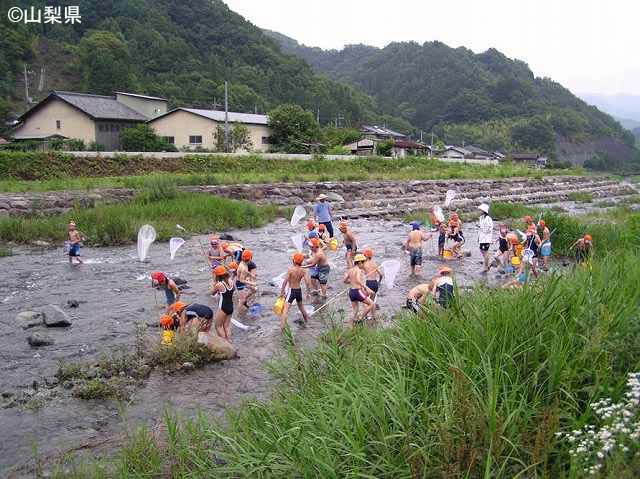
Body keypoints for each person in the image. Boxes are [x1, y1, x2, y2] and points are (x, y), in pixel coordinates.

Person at [279, 252, 313, 331]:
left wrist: (282, 292)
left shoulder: (290, 269)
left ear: (294, 261)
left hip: (291, 291)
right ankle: (307, 323)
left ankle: (282, 329)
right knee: (301, 308)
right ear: (301, 261)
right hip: (298, 291)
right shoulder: (303, 270)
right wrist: (308, 293)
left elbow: (285, 282)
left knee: (285, 311)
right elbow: (308, 283)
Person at [343, 253, 375, 325]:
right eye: (363, 262)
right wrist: (366, 288)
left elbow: (345, 280)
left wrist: (352, 281)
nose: (364, 265)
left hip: (351, 291)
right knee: (371, 304)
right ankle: (361, 318)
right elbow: (358, 280)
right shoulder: (358, 270)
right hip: (357, 291)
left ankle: (353, 323)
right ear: (360, 262)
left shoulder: (350, 270)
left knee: (355, 309)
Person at [210, 265, 235, 342]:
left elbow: (212, 293)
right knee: (227, 327)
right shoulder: (231, 281)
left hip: (223, 308)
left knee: (218, 326)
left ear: (217, 275)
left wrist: (213, 283)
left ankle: (225, 343)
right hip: (231, 307)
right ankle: (229, 341)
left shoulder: (219, 285)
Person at [477, 204, 494, 273]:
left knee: (485, 251)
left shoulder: (488, 219)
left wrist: (481, 227)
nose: (480, 211)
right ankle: (487, 263)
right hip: (482, 237)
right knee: (482, 250)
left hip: (486, 238)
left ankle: (486, 267)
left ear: (484, 211)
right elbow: (481, 227)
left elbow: (490, 228)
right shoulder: (481, 218)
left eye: (481, 210)